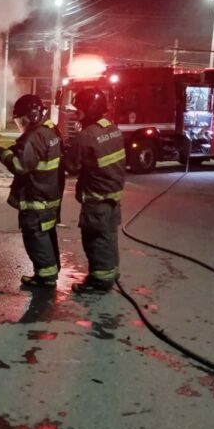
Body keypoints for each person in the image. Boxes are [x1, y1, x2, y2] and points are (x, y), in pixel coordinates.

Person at [0, 94, 64, 288]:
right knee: (46, 233)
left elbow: (20, 165)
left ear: (32, 116)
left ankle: (45, 277)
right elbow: (35, 153)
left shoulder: (35, 135)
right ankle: (51, 270)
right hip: (49, 193)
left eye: (22, 120)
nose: (21, 124)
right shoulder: (50, 129)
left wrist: (4, 154)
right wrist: (17, 147)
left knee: (35, 235)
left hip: (36, 195)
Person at [65, 88, 126, 294]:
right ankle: (111, 272)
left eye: (79, 110)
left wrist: (67, 150)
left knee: (94, 240)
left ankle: (99, 282)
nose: (77, 114)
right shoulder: (113, 129)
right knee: (108, 236)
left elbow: (71, 165)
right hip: (113, 197)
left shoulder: (87, 136)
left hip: (96, 198)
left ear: (90, 110)